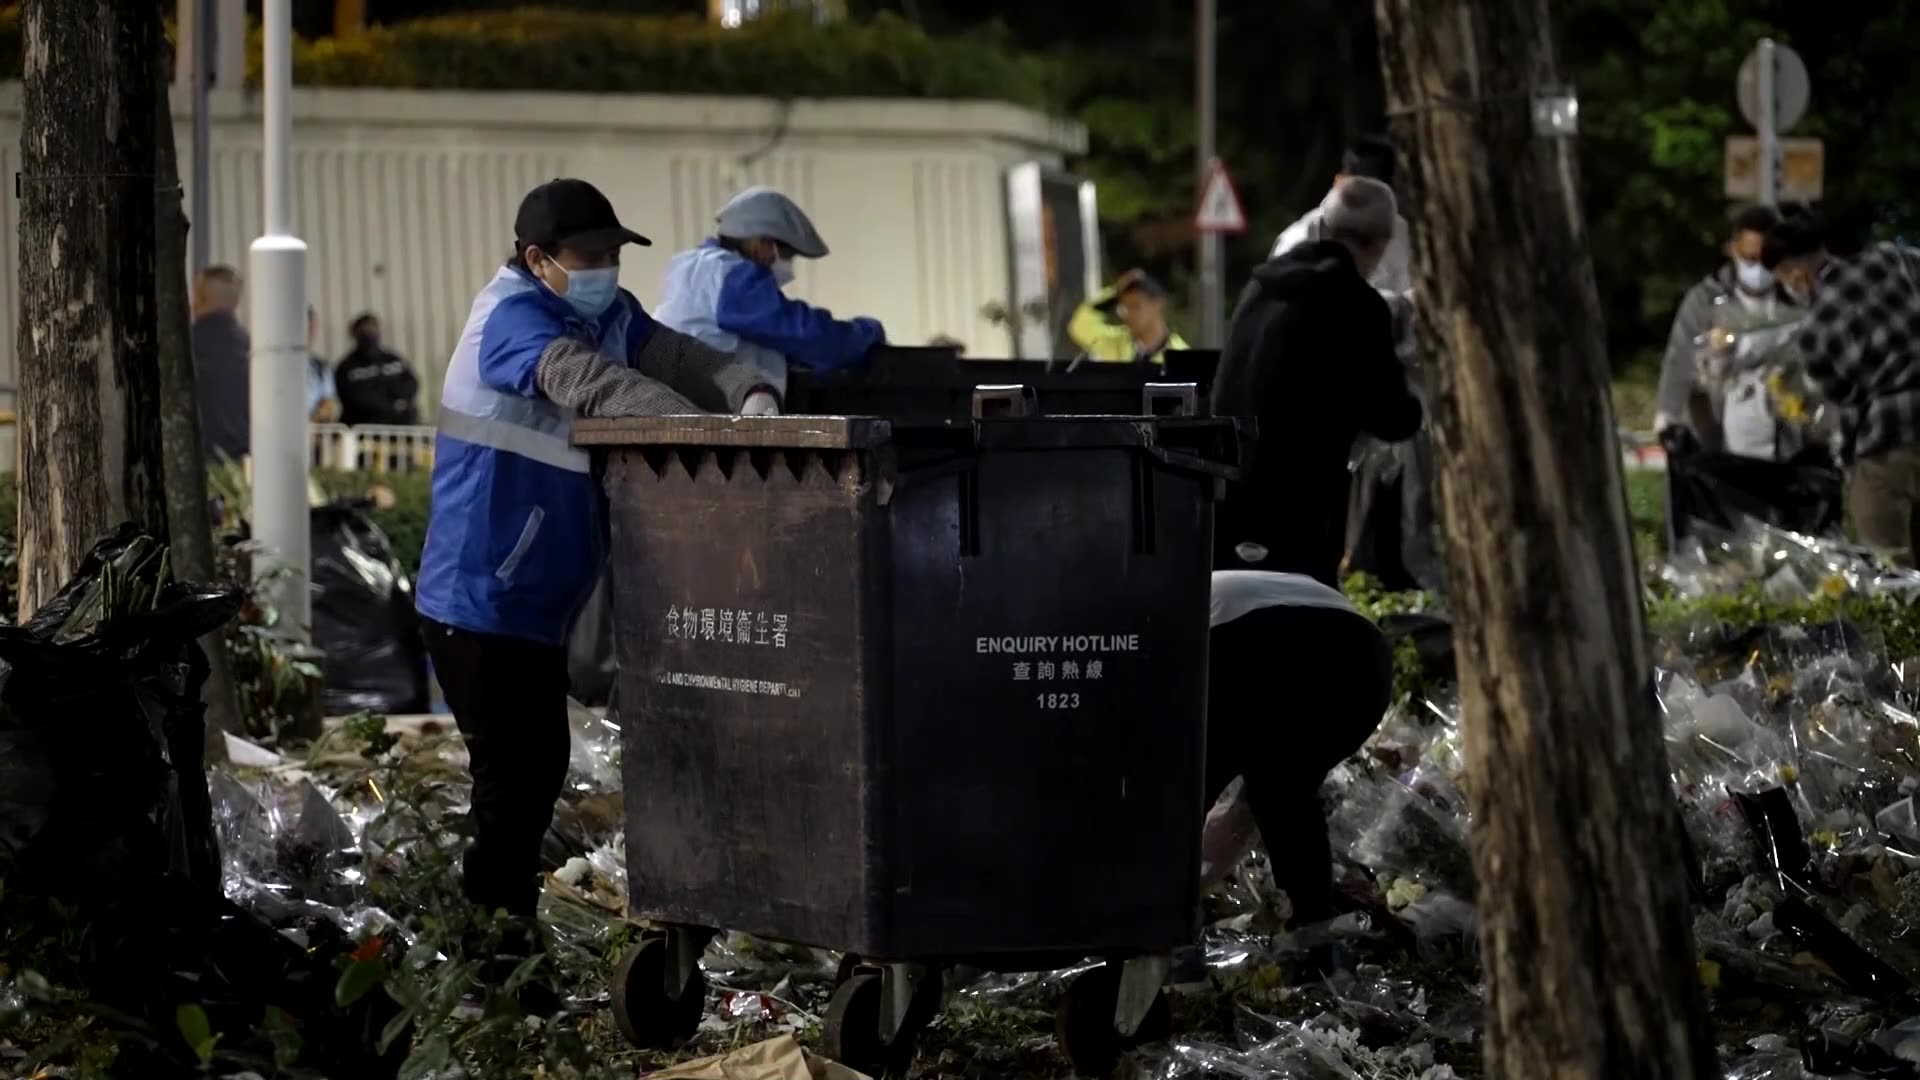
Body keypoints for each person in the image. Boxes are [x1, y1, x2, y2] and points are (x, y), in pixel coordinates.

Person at [414, 178, 777, 1004]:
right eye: (591, 257)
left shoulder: (599, 312)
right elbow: (591, 383)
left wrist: (749, 391)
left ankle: (500, 956)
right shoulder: (511, 320)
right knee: (517, 781)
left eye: (615, 254)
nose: (608, 268)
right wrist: (697, 436)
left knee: (527, 778)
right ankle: (493, 970)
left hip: (534, 603)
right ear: (538, 260)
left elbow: (674, 357)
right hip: (480, 601)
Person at [1211, 177, 1423, 587]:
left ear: (1322, 228)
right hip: (1299, 507)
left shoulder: (1260, 286)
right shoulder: (1357, 305)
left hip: (1226, 496)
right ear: (1381, 245)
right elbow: (1394, 417)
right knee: (1300, 620)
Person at [1197, 570, 1392, 944]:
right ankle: (1314, 934)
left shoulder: (1154, 626)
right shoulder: (1184, 591)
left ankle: (1154, 927)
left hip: (1257, 638)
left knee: (1194, 792)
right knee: (1282, 793)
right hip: (1364, 656)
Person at [1769, 212, 1920, 564]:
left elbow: (1843, 399)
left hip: (1890, 438)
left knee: (1888, 558)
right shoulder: (1888, 257)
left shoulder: (1813, 332)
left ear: (1797, 276)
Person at [654, 186, 884, 397]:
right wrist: (867, 333)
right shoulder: (734, 278)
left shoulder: (688, 266)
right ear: (763, 244)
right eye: (787, 255)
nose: (788, 266)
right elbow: (806, 335)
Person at [1654, 204, 1803, 458]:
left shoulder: (1796, 302)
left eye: (1766, 259)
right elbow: (1680, 359)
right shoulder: (1705, 301)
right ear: (1732, 249)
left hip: (1782, 441)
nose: (1758, 269)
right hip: (1718, 438)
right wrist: (1668, 415)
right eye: (1749, 259)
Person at [1270, 135, 1413, 295]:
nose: (1368, 213)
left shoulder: (1398, 232)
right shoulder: (1300, 241)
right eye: (1360, 199)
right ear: (1339, 183)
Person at [1067, 269, 1190, 365]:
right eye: (1124, 307)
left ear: (1157, 305)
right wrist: (1115, 291)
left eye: (1135, 306)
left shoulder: (1181, 357)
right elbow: (1080, 326)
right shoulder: (1117, 343)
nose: (1128, 314)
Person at [192, 265, 251, 462]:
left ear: (199, 299)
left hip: (196, 459)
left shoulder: (183, 345)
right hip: (242, 462)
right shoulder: (254, 349)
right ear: (236, 302)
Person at [334, 312, 421, 426]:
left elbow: (411, 384)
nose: (369, 334)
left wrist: (386, 392)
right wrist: (390, 404)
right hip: (366, 430)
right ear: (355, 334)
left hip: (402, 428)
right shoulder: (347, 367)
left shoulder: (393, 360)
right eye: (364, 331)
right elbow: (357, 398)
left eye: (373, 329)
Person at [307, 306, 340, 424]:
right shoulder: (270, 365)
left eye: (312, 327)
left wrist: (314, 420)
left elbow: (329, 403)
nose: (310, 333)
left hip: (312, 429)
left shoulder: (319, 365)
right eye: (307, 327)